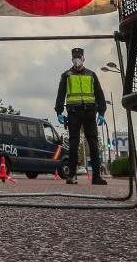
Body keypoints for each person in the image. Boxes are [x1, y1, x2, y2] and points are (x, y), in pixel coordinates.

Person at [55, 47, 107, 185]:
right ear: (72, 59)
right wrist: (59, 112)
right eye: (75, 57)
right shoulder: (66, 75)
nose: (77, 59)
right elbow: (61, 94)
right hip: (73, 114)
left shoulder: (91, 74)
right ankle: (72, 176)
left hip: (90, 113)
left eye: (79, 57)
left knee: (94, 145)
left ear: (84, 58)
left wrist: (101, 113)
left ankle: (97, 177)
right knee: (73, 145)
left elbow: (99, 94)